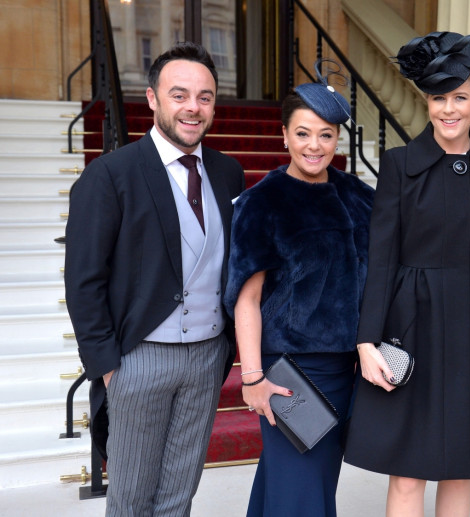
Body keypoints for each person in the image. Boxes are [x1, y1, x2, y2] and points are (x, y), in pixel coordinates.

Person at [64, 42, 245, 516]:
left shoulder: (228, 172)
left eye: (204, 97)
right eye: (180, 94)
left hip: (207, 356)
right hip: (138, 359)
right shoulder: (110, 175)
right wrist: (107, 365)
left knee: (178, 496)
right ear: (152, 99)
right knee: (130, 499)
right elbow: (84, 279)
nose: (193, 107)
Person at [344, 32, 470, 517]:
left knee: (460, 466)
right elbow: (381, 257)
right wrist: (366, 341)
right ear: (426, 101)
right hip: (410, 326)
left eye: (460, 97)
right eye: (439, 98)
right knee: (408, 469)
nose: (449, 109)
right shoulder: (400, 166)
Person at [223, 69, 374, 517]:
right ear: (285, 134)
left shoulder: (359, 195)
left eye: (325, 135)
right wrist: (251, 378)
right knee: (303, 497)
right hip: (289, 372)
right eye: (303, 133)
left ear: (337, 140)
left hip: (346, 370)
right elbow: (246, 299)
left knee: (298, 484)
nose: (314, 145)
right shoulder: (263, 201)